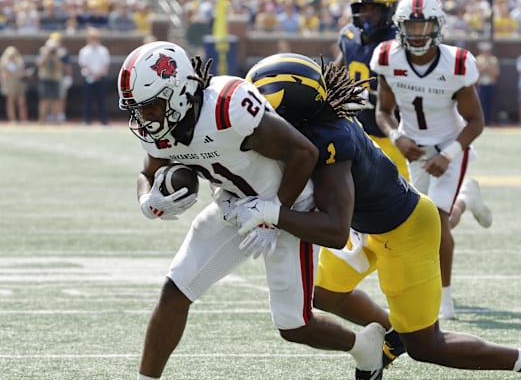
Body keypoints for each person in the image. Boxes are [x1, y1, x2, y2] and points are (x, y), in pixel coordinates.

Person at [238, 52, 521, 380]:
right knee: (321, 292)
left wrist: (271, 212)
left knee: (427, 346)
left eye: (268, 112)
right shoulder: (320, 122)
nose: (262, 121)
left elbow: (334, 231)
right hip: (367, 225)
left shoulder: (331, 142)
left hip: (404, 231)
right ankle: (392, 338)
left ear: (292, 107)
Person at [117, 42, 385, 380]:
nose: (144, 119)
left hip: (290, 204)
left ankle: (364, 346)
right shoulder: (158, 132)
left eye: (151, 107)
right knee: (175, 289)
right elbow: (148, 172)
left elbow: (303, 154)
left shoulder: (228, 108)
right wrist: (147, 199)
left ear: (180, 92)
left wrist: (274, 213)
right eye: (136, 110)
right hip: (235, 205)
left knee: (294, 325)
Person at [371, 0, 492, 321]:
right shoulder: (386, 57)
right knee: (421, 223)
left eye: (424, 25)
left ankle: (444, 298)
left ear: (437, 26)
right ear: (399, 27)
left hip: (452, 145)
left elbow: (477, 122)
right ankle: (467, 197)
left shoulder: (456, 63)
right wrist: (397, 137)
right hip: (413, 147)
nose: (418, 33)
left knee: (436, 220)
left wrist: (450, 154)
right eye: (411, 26)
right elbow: (382, 111)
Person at [332, 0, 408, 180]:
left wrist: (371, 97)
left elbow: (409, 91)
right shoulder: (348, 35)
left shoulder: (399, 42)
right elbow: (334, 75)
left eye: (375, 9)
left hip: (392, 132)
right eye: (363, 8)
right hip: (359, 130)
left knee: (410, 199)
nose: (368, 14)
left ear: (389, 10)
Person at [78, 27, 110, 125]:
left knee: (102, 100)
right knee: (88, 100)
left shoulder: (103, 50)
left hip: (101, 78)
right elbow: (84, 64)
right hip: (89, 78)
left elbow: (106, 64)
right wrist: (93, 74)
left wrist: (99, 74)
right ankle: (87, 120)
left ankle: (103, 121)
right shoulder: (84, 51)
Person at [36, 37, 65, 124]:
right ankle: (42, 120)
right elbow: (39, 64)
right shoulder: (43, 52)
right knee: (44, 100)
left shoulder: (60, 53)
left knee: (56, 100)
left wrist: (55, 57)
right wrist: (46, 55)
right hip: (45, 78)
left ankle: (56, 120)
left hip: (56, 79)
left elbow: (61, 67)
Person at [0, 46, 28, 124]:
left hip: (19, 83)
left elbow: (22, 73)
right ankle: (12, 119)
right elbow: (2, 75)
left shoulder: (20, 62)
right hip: (10, 84)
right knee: (10, 102)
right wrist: (4, 84)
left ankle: (23, 119)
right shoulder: (4, 63)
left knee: (21, 102)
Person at [475, 41, 500, 125]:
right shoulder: (478, 59)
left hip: (490, 84)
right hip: (481, 85)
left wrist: (488, 67)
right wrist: (484, 68)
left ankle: (489, 121)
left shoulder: (493, 60)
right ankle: (482, 121)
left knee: (490, 103)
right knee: (482, 103)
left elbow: (496, 73)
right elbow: (476, 72)